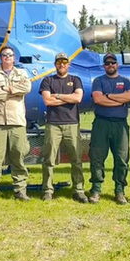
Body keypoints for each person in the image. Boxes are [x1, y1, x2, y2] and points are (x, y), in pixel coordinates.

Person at [0, 45, 32, 202]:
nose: (7, 57)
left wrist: (6, 88)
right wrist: (14, 92)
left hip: (17, 122)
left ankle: (20, 190)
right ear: (1, 58)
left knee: (18, 156)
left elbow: (27, 87)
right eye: (4, 55)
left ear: (14, 58)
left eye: (10, 55)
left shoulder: (22, 73)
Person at [39, 52, 88, 202]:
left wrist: (58, 96)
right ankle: (47, 190)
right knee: (49, 159)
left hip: (72, 124)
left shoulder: (75, 80)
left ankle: (78, 190)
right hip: (53, 124)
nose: (62, 65)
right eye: (59, 62)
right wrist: (68, 99)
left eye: (64, 62)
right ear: (55, 64)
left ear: (69, 64)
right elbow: (47, 101)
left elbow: (78, 98)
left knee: (76, 158)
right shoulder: (47, 80)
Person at [88, 53, 130, 204]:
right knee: (97, 157)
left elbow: (128, 97)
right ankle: (96, 189)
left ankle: (120, 190)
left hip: (120, 124)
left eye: (112, 63)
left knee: (122, 158)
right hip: (101, 123)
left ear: (117, 64)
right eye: (107, 63)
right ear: (104, 66)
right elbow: (98, 99)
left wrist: (108, 97)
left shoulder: (126, 81)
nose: (110, 65)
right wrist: (117, 100)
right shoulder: (98, 80)